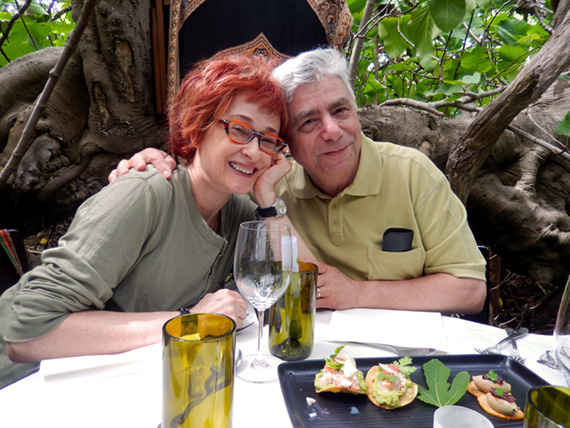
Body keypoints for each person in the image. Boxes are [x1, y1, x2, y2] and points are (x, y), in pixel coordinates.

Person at [110, 48, 488, 315]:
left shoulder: (413, 173)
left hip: (407, 356)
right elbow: (203, 178)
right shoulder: (270, 185)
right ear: (285, 139)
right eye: (308, 121)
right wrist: (155, 163)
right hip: (309, 355)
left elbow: (470, 290)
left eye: (341, 111)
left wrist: (356, 292)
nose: (331, 130)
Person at [0, 54, 299, 389]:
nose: (255, 152)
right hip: (39, 388)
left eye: (268, 138)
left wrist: (268, 198)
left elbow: (296, 285)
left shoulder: (238, 211)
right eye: (240, 130)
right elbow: (25, 330)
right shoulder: (146, 193)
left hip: (147, 384)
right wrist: (188, 322)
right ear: (197, 127)